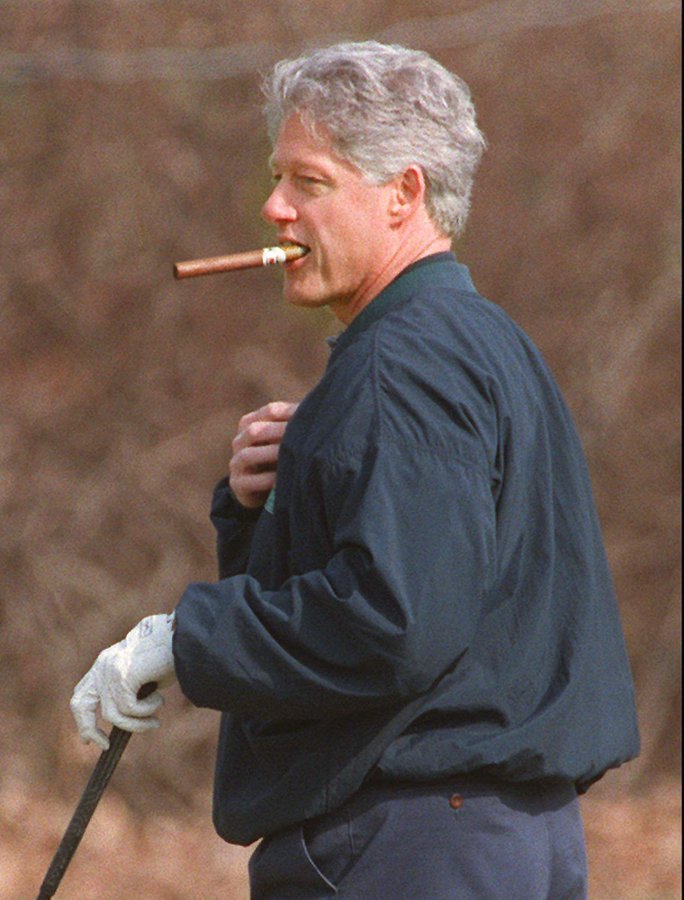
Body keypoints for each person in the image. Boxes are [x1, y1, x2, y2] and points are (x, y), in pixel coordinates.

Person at [71, 41, 640, 898]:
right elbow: (431, 604)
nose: (274, 207)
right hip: (500, 841)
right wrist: (272, 503)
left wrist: (185, 642)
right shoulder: (481, 345)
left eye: (309, 182)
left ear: (404, 193)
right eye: (277, 178)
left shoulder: (403, 366)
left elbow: (394, 622)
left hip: (414, 848)